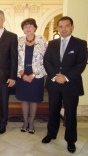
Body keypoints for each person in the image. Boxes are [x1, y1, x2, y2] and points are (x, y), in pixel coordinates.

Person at [42, 16, 87, 153]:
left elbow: (81, 64)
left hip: (71, 84)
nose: (64, 29)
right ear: (58, 29)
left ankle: (71, 140)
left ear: (72, 27)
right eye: (61, 26)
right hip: (54, 83)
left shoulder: (80, 43)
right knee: (53, 111)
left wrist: (65, 77)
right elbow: (46, 61)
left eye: (67, 26)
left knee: (71, 113)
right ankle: (51, 134)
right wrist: (55, 77)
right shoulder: (52, 43)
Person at [15, 18, 47, 134]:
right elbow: (16, 59)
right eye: (26, 26)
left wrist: (33, 74)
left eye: (30, 26)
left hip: (36, 75)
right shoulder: (19, 40)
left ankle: (32, 123)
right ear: (23, 29)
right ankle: (25, 122)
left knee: (33, 100)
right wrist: (22, 74)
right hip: (22, 74)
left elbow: (45, 59)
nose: (28, 28)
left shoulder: (42, 40)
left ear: (35, 28)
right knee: (24, 100)